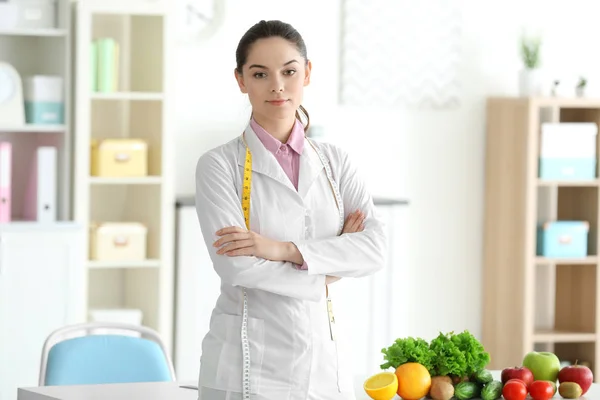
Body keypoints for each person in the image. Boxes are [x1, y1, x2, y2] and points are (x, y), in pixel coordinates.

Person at [194, 19, 387, 400]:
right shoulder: (218, 165)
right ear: (240, 80)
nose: (277, 85)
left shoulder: (337, 162)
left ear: (307, 72)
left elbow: (374, 250)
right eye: (260, 73)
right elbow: (236, 265)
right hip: (246, 368)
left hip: (325, 367)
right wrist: (330, 270)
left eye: (289, 71)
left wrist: (281, 250)